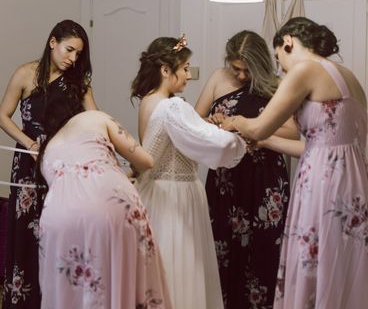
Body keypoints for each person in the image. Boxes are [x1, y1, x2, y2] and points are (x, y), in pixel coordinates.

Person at [221, 17, 368, 308]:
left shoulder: (306, 69)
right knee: (341, 259)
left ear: (287, 41)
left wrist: (235, 120)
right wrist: (265, 143)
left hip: (323, 184)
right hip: (353, 179)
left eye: (279, 59)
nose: (281, 68)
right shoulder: (348, 75)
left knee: (317, 257)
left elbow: (259, 127)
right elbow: (315, 146)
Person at [131, 35, 247, 309]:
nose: (187, 75)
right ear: (165, 70)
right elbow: (207, 140)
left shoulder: (149, 101)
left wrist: (201, 123)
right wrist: (237, 136)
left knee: (161, 268)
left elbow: (171, 139)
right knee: (179, 267)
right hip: (177, 196)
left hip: (154, 191)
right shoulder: (173, 106)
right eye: (184, 68)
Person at [195, 30, 299, 309]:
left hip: (264, 179)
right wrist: (213, 120)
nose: (241, 76)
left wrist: (249, 125)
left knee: (264, 250)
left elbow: (293, 132)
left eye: (247, 69)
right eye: (236, 68)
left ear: (260, 63)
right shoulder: (218, 78)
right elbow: (194, 121)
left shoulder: (278, 85)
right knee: (223, 248)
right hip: (225, 179)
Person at [36, 93, 171, 308]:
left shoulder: (47, 149)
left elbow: (69, 183)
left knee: (71, 290)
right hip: (110, 201)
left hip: (57, 216)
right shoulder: (95, 117)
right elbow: (146, 161)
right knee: (121, 275)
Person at [0, 20, 97, 308]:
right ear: (52, 42)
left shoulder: (80, 83)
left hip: (65, 164)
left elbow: (94, 120)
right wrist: (29, 144)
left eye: (79, 54)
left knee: (62, 230)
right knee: (28, 229)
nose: (73, 58)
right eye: (69, 50)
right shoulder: (25, 74)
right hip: (29, 164)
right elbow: (2, 116)